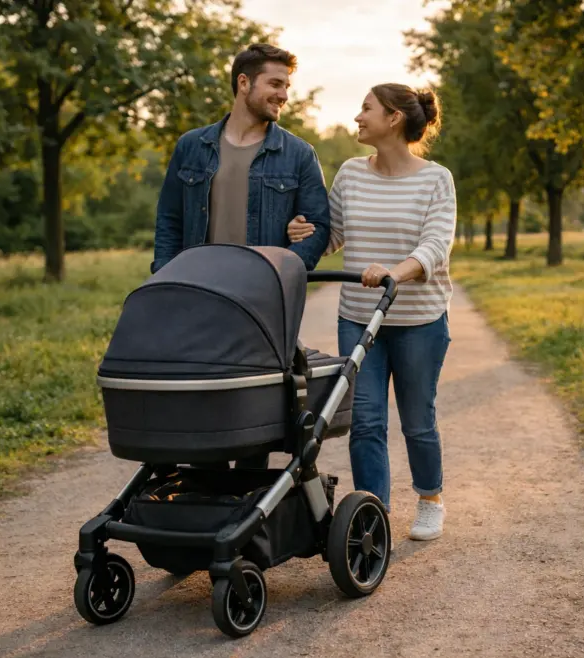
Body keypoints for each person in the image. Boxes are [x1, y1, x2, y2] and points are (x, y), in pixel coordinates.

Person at [288, 84, 456, 541]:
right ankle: (373, 514)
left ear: (395, 118)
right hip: (359, 316)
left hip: (419, 319)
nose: (358, 117)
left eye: (367, 109)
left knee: (418, 419)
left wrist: (393, 273)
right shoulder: (350, 173)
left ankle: (430, 499)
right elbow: (335, 234)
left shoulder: (435, 178)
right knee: (365, 421)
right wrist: (304, 233)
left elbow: (436, 247)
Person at [153, 43, 331, 469]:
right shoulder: (191, 147)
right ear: (244, 83)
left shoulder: (298, 154)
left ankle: (250, 518)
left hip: (262, 304)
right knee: (201, 409)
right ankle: (203, 505)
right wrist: (164, 281)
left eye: (287, 86)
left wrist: (282, 272)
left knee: (254, 416)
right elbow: (169, 222)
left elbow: (319, 228)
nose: (284, 95)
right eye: (275, 84)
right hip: (198, 298)